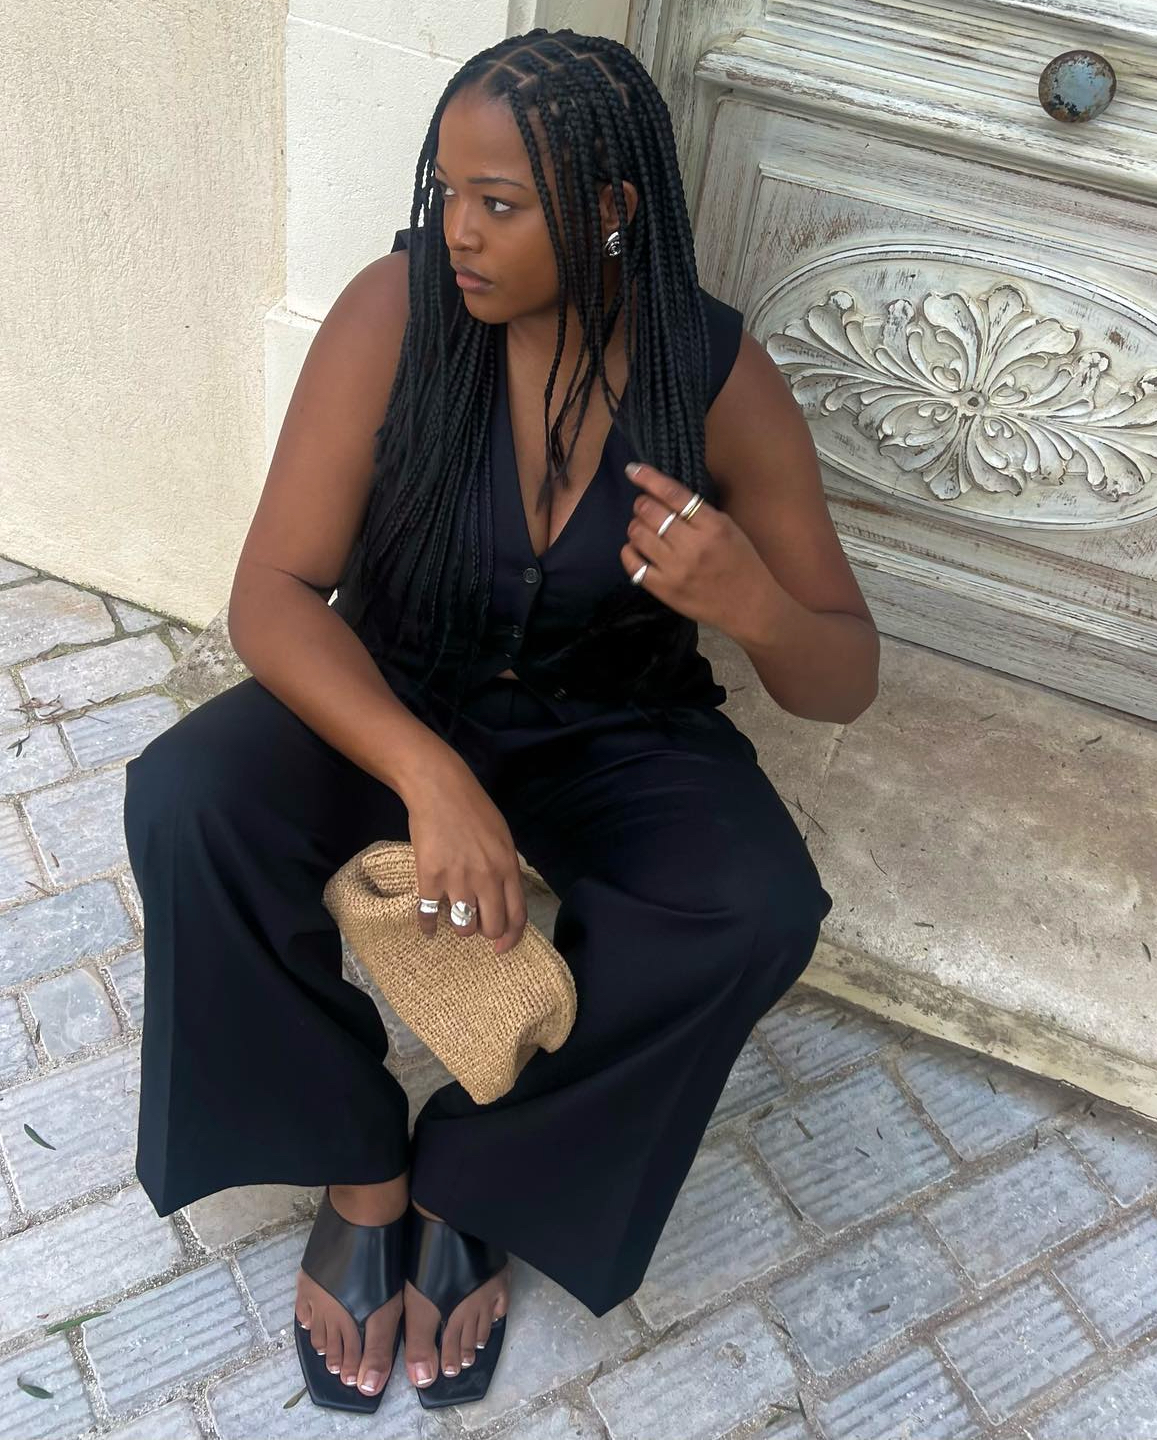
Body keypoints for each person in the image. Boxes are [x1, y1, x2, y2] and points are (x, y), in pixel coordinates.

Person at [122, 26, 879, 1416]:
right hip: (400, 685)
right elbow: (276, 595)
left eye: (500, 204)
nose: (457, 232)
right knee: (190, 800)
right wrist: (428, 775)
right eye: (448, 193)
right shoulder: (396, 313)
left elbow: (842, 672)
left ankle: (486, 1175)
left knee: (757, 907)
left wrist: (752, 602)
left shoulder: (714, 376)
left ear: (608, 211)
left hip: (614, 720)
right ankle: (361, 1165)